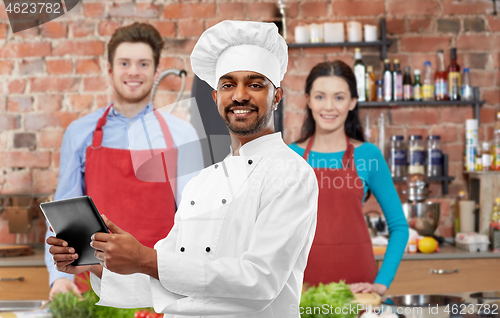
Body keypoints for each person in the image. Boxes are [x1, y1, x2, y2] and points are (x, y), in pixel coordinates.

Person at [48, 20, 318, 318]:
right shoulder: (204, 182)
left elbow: (260, 281)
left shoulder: (291, 174)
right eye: (228, 85)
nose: (240, 95)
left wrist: (146, 259)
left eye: (255, 84)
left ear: (276, 96)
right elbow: (168, 280)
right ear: (216, 98)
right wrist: (96, 264)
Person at [45, 22, 203, 300]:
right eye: (124, 63)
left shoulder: (182, 134)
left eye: (143, 64)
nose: (133, 71)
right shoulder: (80, 134)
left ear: (155, 72)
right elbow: (63, 218)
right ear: (110, 69)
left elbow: (194, 221)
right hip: (97, 286)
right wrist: (59, 278)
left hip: (161, 284)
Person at [289, 60, 409, 296]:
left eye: (339, 97)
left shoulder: (369, 155)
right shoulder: (289, 157)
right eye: (321, 97)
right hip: (303, 286)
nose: (329, 107)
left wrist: (381, 283)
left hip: (358, 286)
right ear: (309, 100)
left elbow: (399, 227)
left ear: (352, 102)